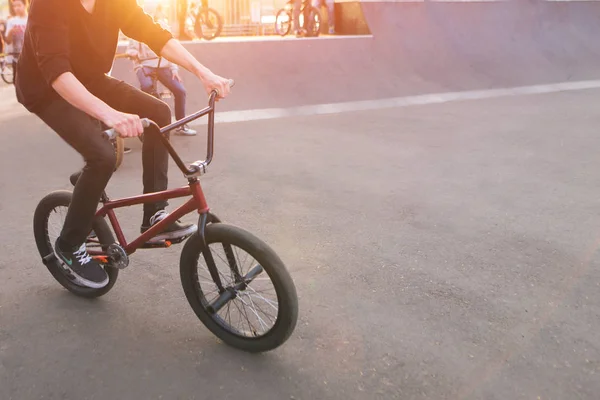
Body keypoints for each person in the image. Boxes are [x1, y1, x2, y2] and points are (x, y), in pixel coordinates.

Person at [14, 0, 231, 289]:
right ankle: (68, 244)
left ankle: (155, 216)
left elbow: (153, 33)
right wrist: (110, 114)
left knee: (159, 113)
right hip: (46, 89)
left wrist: (203, 72)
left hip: (90, 79)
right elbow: (56, 73)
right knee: (102, 156)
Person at [126, 5, 196, 136]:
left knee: (180, 90)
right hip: (144, 65)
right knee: (147, 87)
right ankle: (147, 126)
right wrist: (132, 52)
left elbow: (172, 50)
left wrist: (174, 68)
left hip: (163, 65)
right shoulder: (137, 25)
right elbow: (130, 50)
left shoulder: (164, 26)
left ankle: (181, 125)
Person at [4, 0, 28, 66]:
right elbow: (8, 41)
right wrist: (11, 32)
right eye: (14, 6)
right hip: (16, 58)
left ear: (25, 5)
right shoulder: (11, 21)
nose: (16, 8)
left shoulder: (30, 20)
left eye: (19, 5)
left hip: (30, 57)